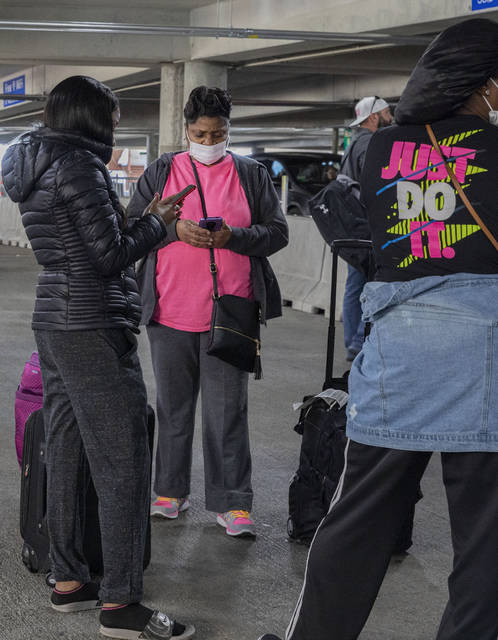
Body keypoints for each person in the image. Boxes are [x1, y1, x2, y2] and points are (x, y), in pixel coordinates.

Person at [259, 18, 498, 640]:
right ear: (486, 85)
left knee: (357, 519)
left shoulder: (380, 149)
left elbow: (349, 224)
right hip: (486, 355)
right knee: (486, 541)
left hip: (400, 349)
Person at [2, 75, 193, 640]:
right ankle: (121, 604)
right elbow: (109, 257)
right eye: (110, 118)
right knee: (124, 459)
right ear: (91, 118)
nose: (114, 127)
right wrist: (161, 224)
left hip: (57, 320)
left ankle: (69, 579)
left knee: (66, 448)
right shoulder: (80, 167)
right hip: (91, 324)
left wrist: (145, 217)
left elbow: (84, 244)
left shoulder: (36, 163)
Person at [128, 86, 288, 538]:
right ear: (186, 131)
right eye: (200, 132)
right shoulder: (163, 170)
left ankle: (232, 502)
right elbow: (130, 226)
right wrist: (173, 228)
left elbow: (277, 233)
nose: (209, 139)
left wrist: (233, 237)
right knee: (173, 406)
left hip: (231, 311)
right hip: (169, 309)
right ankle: (168, 491)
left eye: (217, 132)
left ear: (229, 131)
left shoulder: (251, 174)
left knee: (227, 411)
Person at [339, 95, 393, 361]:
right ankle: (359, 341)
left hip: (351, 225)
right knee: (373, 282)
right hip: (367, 226)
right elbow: (375, 185)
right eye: (387, 113)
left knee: (355, 283)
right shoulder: (371, 143)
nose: (391, 117)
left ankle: (353, 341)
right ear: (373, 117)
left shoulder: (352, 144)